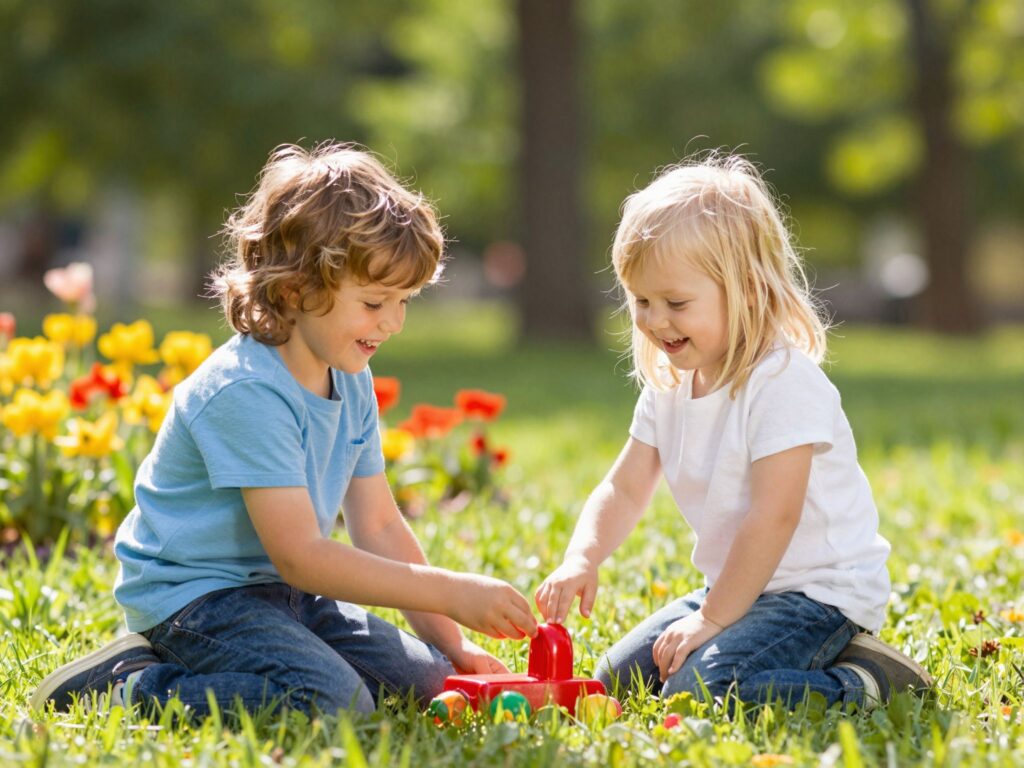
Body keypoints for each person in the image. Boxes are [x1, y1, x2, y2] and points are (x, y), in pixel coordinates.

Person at [32, 143, 537, 718]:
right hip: (196, 600)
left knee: (430, 682)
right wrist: (451, 589)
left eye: (404, 301)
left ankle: (277, 662)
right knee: (334, 702)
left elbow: (377, 524)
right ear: (298, 289)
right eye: (375, 302)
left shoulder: (351, 377)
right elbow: (300, 555)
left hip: (287, 595)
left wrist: (454, 645)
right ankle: (131, 687)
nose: (394, 322)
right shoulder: (245, 389)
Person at [534, 154, 931, 710]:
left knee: (699, 691)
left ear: (746, 289)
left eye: (676, 303)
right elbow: (623, 488)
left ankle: (866, 682)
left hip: (815, 595)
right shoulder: (671, 385)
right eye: (642, 301)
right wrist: (583, 557)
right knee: (614, 680)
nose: (655, 320)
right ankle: (774, 651)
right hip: (736, 589)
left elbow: (774, 516)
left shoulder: (782, 382)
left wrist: (712, 619)